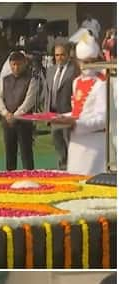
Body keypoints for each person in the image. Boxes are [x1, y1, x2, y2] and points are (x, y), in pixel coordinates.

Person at [52, 30, 107, 175]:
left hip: (94, 145)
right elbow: (78, 112)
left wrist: (76, 123)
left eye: (90, 62)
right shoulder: (76, 82)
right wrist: (61, 118)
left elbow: (103, 119)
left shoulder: (102, 84)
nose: (85, 66)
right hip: (76, 143)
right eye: (82, 62)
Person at [0, 51, 38, 170]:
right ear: (10, 64)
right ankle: (10, 178)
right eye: (13, 64)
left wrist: (16, 115)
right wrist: (6, 113)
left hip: (24, 122)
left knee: (26, 154)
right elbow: (0, 99)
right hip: (7, 121)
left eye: (19, 64)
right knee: (10, 153)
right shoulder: (5, 79)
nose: (16, 67)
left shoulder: (31, 79)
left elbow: (29, 101)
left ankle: (30, 179)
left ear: (25, 63)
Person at [44, 43, 79, 170]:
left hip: (67, 113)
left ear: (68, 55)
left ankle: (73, 168)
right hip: (53, 114)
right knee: (57, 142)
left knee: (69, 142)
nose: (59, 58)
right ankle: (62, 167)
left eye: (62, 54)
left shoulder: (74, 70)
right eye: (57, 55)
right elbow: (48, 92)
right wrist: (46, 112)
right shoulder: (50, 70)